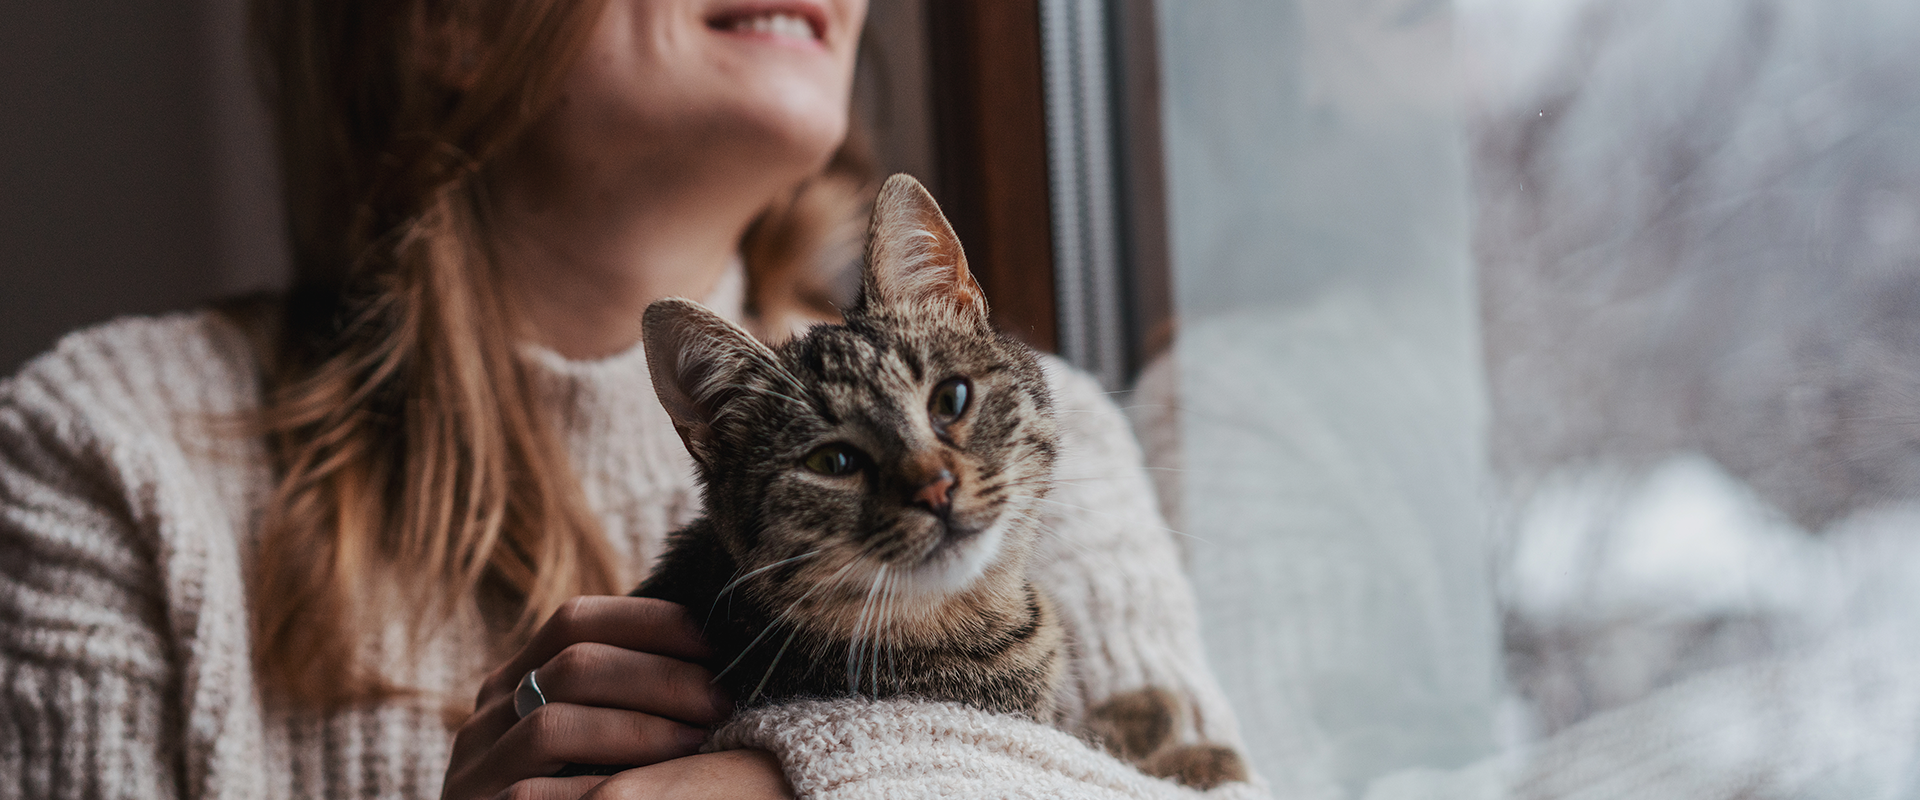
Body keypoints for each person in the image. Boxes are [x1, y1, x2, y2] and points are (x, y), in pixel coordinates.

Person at [0, 1, 1255, 798]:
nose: (932, 475)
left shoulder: (1040, 430)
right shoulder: (107, 446)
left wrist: (795, 778)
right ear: (442, 19)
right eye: (841, 460)